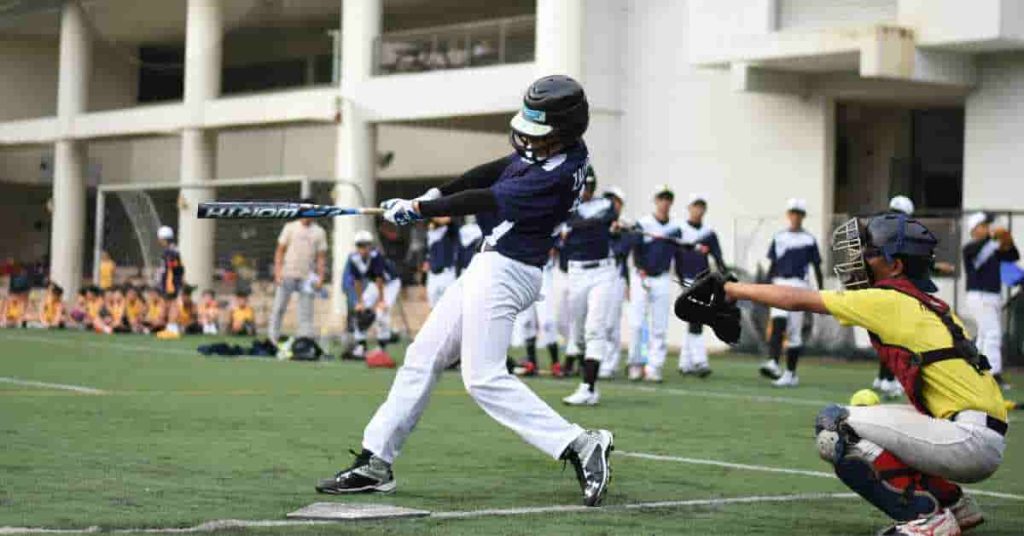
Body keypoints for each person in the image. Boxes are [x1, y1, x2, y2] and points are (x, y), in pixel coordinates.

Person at [316, 75, 613, 506]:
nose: (528, 140)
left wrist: (420, 210)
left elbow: (485, 198)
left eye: (539, 134)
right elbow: (493, 170)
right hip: (490, 264)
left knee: (483, 377)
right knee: (422, 357)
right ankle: (376, 461)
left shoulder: (554, 175)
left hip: (508, 271)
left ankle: (579, 443)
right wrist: (435, 193)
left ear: (563, 132)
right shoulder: (556, 151)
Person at [681, 213, 1006, 535]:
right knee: (863, 418)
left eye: (871, 252)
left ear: (896, 267)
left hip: (966, 440)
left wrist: (733, 290)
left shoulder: (888, 298)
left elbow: (796, 299)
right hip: (975, 434)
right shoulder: (933, 304)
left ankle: (925, 519)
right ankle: (954, 505)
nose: (860, 258)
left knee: (834, 427)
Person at [559, 166, 619, 406]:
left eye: (590, 186)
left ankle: (588, 387)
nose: (587, 191)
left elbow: (606, 217)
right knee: (578, 332)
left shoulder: (605, 204)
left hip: (602, 272)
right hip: (576, 273)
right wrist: (584, 225)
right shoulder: (567, 207)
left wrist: (576, 227)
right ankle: (587, 383)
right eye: (584, 186)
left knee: (595, 328)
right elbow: (574, 223)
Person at [758, 198, 823, 388]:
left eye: (798, 213)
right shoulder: (779, 237)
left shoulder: (809, 239)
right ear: (788, 215)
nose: (795, 217)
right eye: (792, 213)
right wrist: (766, 288)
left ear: (802, 216)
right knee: (778, 322)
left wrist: (821, 293)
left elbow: (817, 267)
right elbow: (773, 265)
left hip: (798, 286)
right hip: (779, 283)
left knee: (794, 332)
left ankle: (791, 374)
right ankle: (773, 362)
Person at [626, 185, 682, 382]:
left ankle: (654, 366)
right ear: (656, 201)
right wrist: (640, 270)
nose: (665, 202)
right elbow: (634, 248)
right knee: (638, 323)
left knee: (659, 325)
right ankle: (636, 362)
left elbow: (678, 255)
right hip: (642, 276)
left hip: (663, 277)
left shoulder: (675, 229)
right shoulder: (643, 223)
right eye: (661, 198)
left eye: (668, 199)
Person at [962, 211, 1019, 390]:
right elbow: (982, 251)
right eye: (983, 226)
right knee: (993, 334)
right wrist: (994, 238)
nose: (987, 228)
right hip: (980, 295)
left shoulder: (992, 247)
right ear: (974, 229)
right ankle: (993, 374)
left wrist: (1009, 244)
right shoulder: (970, 248)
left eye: (987, 225)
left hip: (992, 296)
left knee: (985, 335)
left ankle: (975, 370)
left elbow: (1013, 257)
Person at [675, 194, 725, 378]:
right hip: (686, 279)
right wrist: (679, 278)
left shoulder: (708, 233)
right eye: (695, 206)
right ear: (689, 208)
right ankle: (699, 361)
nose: (698, 210)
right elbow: (675, 255)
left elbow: (718, 257)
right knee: (696, 318)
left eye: (701, 207)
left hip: (703, 280)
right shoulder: (679, 229)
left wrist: (724, 276)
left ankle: (685, 363)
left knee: (694, 318)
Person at [268, 202, 328, 342]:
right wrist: (277, 272)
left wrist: (320, 278)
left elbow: (321, 257)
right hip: (287, 274)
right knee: (279, 308)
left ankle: (304, 339)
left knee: (306, 312)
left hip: (307, 277)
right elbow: (280, 251)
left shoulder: (319, 232)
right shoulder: (290, 227)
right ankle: (273, 338)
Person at [343, 231, 402, 357]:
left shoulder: (376, 257)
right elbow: (357, 281)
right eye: (360, 245)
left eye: (365, 245)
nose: (363, 249)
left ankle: (381, 347)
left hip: (390, 283)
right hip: (374, 284)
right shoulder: (354, 258)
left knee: (381, 313)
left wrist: (381, 301)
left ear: (370, 246)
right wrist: (360, 302)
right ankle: (361, 346)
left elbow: (379, 278)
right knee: (359, 312)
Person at [512, 247, 563, 377]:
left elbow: (555, 243)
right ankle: (532, 362)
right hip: (523, 272)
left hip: (543, 271)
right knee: (527, 321)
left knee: (547, 320)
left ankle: (555, 362)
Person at [599, 187, 628, 379]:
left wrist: (616, 233)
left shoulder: (625, 226)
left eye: (614, 201)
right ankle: (595, 360)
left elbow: (622, 249)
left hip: (615, 276)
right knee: (595, 322)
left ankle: (610, 363)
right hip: (597, 274)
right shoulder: (598, 223)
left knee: (611, 323)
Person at [424, 216, 458, 307]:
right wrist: (427, 261)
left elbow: (449, 220)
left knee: (449, 304)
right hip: (433, 273)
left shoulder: (450, 230)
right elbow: (428, 250)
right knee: (432, 305)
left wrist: (434, 214)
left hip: (447, 273)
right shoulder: (430, 232)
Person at [156, 226, 185, 336]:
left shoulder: (170, 252)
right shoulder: (171, 250)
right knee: (168, 304)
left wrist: (170, 282)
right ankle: (170, 327)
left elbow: (173, 268)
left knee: (172, 304)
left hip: (170, 282)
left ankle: (172, 328)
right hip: (171, 281)